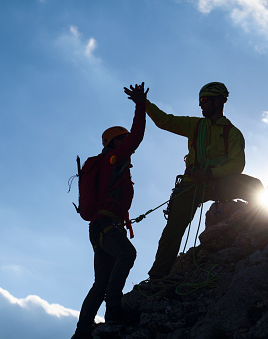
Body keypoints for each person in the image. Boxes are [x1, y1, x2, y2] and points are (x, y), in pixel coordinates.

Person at [145, 82, 264, 280]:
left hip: (216, 182)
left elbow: (237, 165)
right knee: (173, 229)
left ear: (218, 102)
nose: (200, 105)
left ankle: (258, 234)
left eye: (204, 100)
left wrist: (209, 174)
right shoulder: (194, 125)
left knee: (254, 187)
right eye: (200, 100)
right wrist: (144, 103)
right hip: (192, 184)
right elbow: (164, 121)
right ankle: (157, 277)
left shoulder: (233, 133)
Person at [71, 82, 148, 339]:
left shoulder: (107, 164)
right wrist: (140, 105)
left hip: (98, 229)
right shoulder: (113, 159)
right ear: (116, 142)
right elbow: (136, 137)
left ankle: (82, 332)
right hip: (106, 226)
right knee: (127, 253)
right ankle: (114, 309)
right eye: (123, 139)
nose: (129, 143)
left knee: (100, 282)